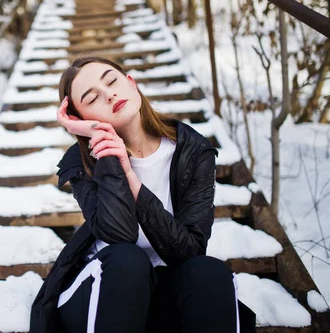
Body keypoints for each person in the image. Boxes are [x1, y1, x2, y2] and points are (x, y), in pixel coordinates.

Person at [30, 56, 256, 333]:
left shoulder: (192, 151)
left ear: (131, 84)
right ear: (82, 120)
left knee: (208, 272)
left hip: (166, 287)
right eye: (92, 99)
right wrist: (107, 149)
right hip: (104, 289)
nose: (109, 94)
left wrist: (133, 179)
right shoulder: (81, 162)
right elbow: (119, 235)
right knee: (128, 260)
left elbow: (190, 250)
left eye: (112, 81)